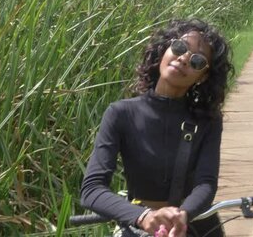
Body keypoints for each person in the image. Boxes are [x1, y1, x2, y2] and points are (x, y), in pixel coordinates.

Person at [80, 19, 233, 237]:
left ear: (203, 76)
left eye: (197, 61)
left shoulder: (208, 120)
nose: (183, 59)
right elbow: (92, 189)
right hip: (138, 224)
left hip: (195, 224)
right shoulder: (120, 114)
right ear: (164, 49)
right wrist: (143, 217)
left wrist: (183, 215)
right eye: (179, 47)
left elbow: (206, 184)